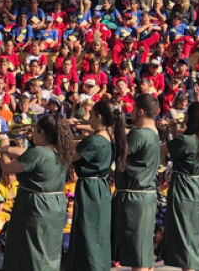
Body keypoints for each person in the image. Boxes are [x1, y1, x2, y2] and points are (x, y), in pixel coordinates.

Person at [0, 114, 74, 271]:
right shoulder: (60, 150)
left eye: (36, 130)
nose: (32, 133)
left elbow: (7, 168)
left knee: (30, 251)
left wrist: (3, 149)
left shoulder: (38, 152)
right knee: (48, 250)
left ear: (43, 133)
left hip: (36, 207)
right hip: (55, 206)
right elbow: (26, 153)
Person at [69, 99, 123, 271]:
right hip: (100, 188)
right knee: (98, 232)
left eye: (91, 115)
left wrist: (58, 136)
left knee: (87, 233)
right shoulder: (109, 138)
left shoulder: (94, 142)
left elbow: (69, 156)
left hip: (90, 189)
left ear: (98, 116)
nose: (89, 118)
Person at [163, 101, 199, 271]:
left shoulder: (186, 141)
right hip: (198, 187)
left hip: (183, 188)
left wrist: (163, 130)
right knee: (194, 235)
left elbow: (162, 149)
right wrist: (172, 129)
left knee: (184, 235)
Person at [113, 94, 161, 271]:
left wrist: (117, 128)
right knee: (144, 248)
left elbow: (120, 153)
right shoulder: (153, 131)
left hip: (135, 197)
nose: (131, 113)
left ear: (140, 112)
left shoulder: (139, 134)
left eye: (133, 110)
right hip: (146, 194)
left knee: (137, 251)